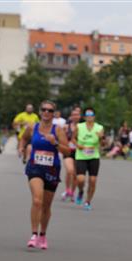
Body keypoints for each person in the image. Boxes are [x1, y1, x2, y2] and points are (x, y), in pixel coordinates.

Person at [18, 100, 69, 249]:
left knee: (46, 206)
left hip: (52, 169)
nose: (46, 112)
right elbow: (24, 138)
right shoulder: (32, 127)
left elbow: (67, 151)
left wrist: (55, 143)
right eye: (44, 109)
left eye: (50, 110)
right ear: (40, 112)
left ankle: (43, 235)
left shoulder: (58, 130)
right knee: (37, 200)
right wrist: (21, 147)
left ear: (53, 114)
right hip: (35, 167)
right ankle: (34, 234)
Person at [74, 107, 104, 210]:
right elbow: (73, 139)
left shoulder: (99, 128)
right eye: (87, 115)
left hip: (94, 156)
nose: (89, 117)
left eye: (91, 115)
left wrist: (101, 137)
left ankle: (88, 201)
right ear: (84, 117)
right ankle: (81, 191)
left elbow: (103, 144)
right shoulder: (79, 126)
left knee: (93, 180)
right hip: (81, 155)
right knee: (80, 179)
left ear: (94, 117)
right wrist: (78, 145)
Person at [60, 108, 80, 202]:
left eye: (77, 115)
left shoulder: (83, 127)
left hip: (79, 152)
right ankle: (67, 190)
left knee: (75, 174)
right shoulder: (66, 127)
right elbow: (61, 138)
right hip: (68, 151)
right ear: (71, 117)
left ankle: (72, 192)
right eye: (73, 115)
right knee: (70, 170)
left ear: (80, 116)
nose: (75, 116)